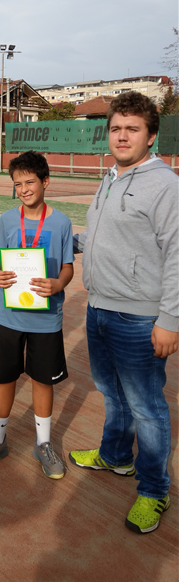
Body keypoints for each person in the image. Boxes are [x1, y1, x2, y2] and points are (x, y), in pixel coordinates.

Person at [69, 91, 178, 534]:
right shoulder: (111, 177)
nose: (122, 136)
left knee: (147, 407)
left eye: (132, 128)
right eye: (116, 128)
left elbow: (177, 255)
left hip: (139, 317)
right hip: (99, 307)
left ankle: (154, 490)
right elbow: (100, 236)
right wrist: (59, 241)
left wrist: (170, 320)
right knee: (112, 395)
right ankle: (115, 455)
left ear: (150, 136)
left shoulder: (165, 185)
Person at [0, 151, 74, 478]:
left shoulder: (61, 222)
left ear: (45, 181)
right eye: (17, 184)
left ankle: (43, 443)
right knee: (4, 378)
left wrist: (59, 283)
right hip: (9, 317)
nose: (24, 189)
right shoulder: (6, 220)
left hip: (46, 318)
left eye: (30, 182)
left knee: (43, 380)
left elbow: (68, 267)